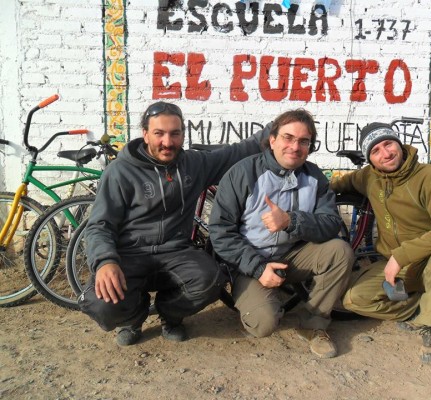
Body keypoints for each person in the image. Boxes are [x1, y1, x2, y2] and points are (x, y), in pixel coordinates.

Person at [79, 101, 272, 346]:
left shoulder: (194, 163)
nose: (168, 142)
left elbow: (237, 151)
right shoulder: (120, 171)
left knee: (211, 278)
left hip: (176, 252)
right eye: (159, 133)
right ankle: (134, 317)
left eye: (175, 133)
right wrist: (105, 261)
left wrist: (278, 128)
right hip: (130, 255)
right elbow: (99, 225)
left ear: (182, 134)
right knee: (99, 302)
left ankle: (170, 315)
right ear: (145, 134)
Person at [208, 109, 354, 359]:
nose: (295, 147)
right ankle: (263, 299)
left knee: (340, 251)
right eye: (288, 138)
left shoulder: (314, 176)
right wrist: (257, 268)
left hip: (295, 255)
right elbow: (220, 232)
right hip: (252, 261)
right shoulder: (243, 173)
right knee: (263, 324)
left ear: (309, 146)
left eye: (303, 141)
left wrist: (291, 220)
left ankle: (313, 324)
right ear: (272, 140)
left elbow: (331, 223)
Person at [330, 122, 431, 364]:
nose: (385, 154)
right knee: (354, 300)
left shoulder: (429, 177)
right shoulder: (368, 177)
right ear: (370, 160)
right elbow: (338, 184)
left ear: (399, 144)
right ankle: (424, 307)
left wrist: (401, 255)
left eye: (388, 144)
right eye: (375, 151)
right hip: (398, 266)